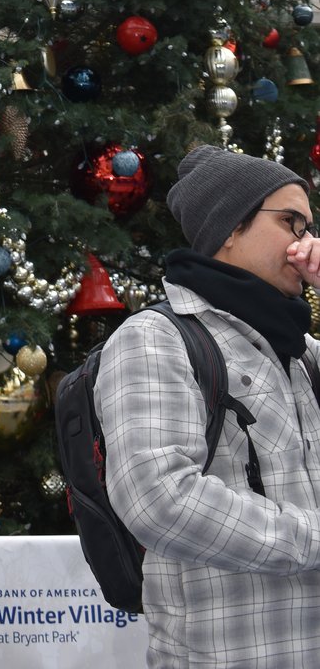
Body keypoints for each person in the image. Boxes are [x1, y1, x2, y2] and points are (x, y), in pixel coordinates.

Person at [95, 145, 320, 669]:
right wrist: (312, 538)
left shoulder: (303, 352)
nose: (307, 244)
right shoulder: (156, 338)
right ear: (230, 228)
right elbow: (160, 500)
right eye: (292, 223)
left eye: (310, 228)